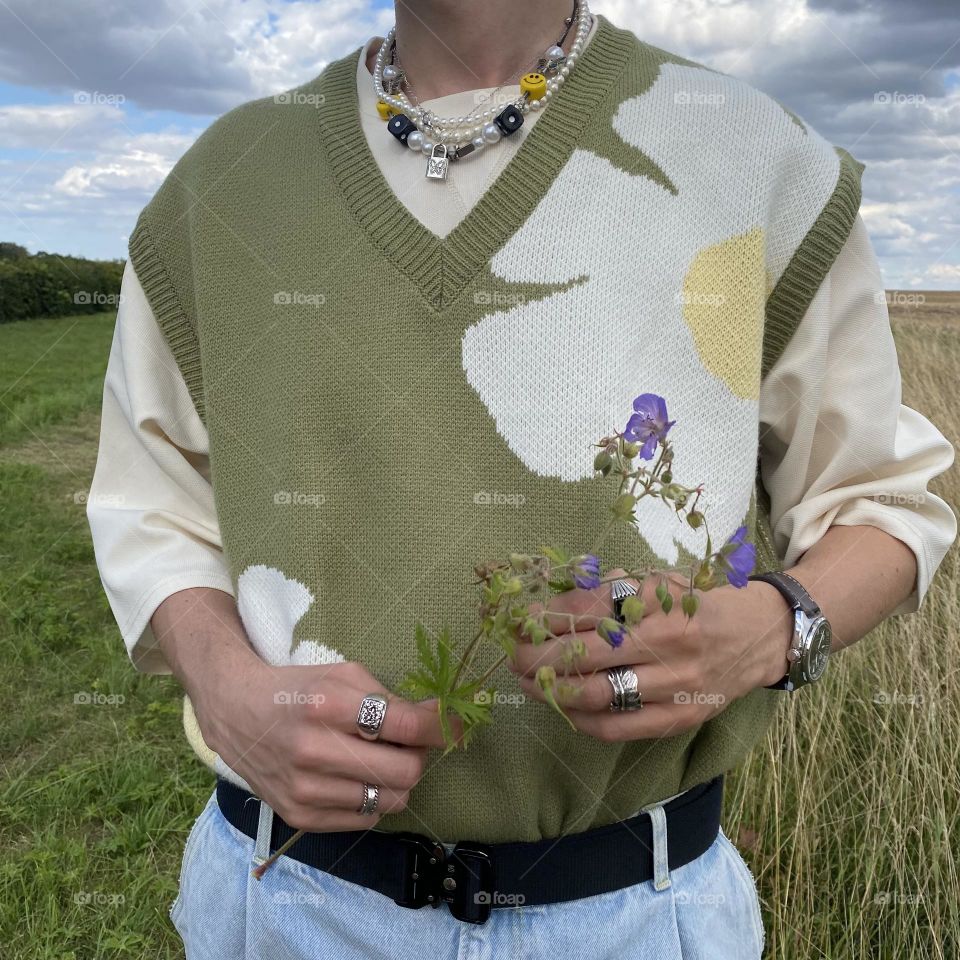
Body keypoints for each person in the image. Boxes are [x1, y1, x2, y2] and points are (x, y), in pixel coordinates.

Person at [87, 1, 957, 957]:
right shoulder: (223, 183)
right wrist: (222, 685)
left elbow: (884, 501)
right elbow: (151, 504)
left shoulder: (756, 160)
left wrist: (771, 629)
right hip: (286, 901)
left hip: (640, 915)